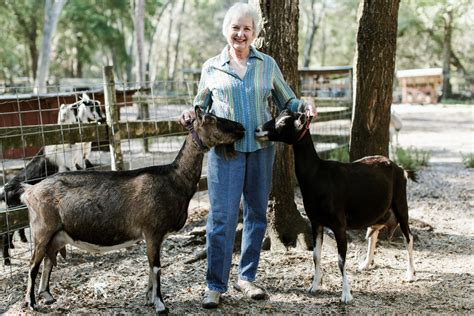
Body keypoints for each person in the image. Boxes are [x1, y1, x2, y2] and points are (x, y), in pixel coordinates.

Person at [178, 2, 316, 309]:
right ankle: (215, 285)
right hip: (225, 153)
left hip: (261, 149)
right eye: (235, 28)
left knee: (256, 214)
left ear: (254, 33)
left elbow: (288, 99)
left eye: (246, 29)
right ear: (226, 30)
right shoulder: (212, 67)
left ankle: (247, 277)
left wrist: (303, 107)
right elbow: (199, 104)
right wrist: (189, 112)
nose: (240, 34)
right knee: (222, 217)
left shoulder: (267, 64)